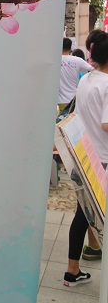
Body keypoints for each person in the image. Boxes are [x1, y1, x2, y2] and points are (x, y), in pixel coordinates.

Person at [64, 32, 108, 286]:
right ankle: (72, 270)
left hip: (85, 155)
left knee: (83, 211)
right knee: (84, 213)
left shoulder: (86, 80)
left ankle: (80, 262)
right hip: (102, 158)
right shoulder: (107, 83)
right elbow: (106, 124)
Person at [58, 38, 94, 111]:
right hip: (73, 101)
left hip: (57, 101)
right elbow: (93, 70)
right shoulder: (77, 60)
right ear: (70, 48)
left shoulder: (55, 60)